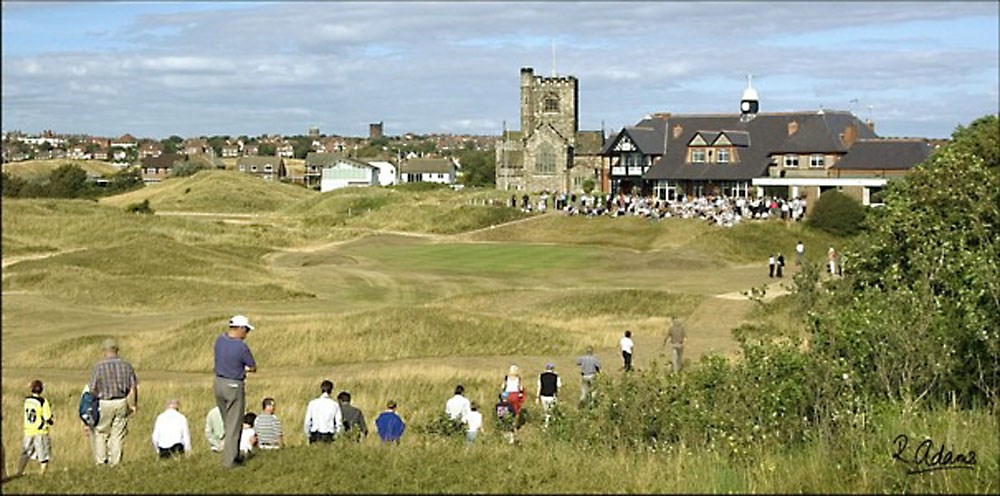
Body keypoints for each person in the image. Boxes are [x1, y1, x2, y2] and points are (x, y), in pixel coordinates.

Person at [213, 315, 257, 469]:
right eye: (246, 330)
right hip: (234, 385)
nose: (246, 334)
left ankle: (233, 453)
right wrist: (244, 369)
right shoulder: (241, 347)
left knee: (227, 422)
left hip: (218, 383)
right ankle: (229, 462)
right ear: (240, 328)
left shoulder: (219, 340)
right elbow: (252, 366)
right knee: (234, 424)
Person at [89, 338, 138, 466]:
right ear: (117, 350)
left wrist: (94, 400)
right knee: (117, 434)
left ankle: (101, 461)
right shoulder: (126, 366)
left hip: (104, 402)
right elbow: (133, 388)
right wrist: (133, 405)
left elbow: (92, 388)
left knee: (101, 432)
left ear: (104, 351)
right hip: (121, 401)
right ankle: (115, 462)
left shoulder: (98, 367)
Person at [17, 380, 53, 476]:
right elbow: (47, 417)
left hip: (28, 430)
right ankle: (42, 473)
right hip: (40, 431)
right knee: (43, 454)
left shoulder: (27, 400)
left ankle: (19, 471)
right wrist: (51, 420)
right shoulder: (43, 401)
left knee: (25, 452)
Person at [304, 379, 342, 444]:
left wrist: (308, 435)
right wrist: (336, 436)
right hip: (328, 436)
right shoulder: (334, 405)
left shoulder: (312, 403)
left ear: (321, 389)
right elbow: (339, 423)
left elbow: (307, 422)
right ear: (331, 390)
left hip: (314, 435)